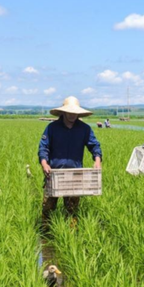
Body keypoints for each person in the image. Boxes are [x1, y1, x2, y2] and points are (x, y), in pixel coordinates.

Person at [38, 96, 102, 231]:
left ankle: (71, 235)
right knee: (48, 207)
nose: (72, 115)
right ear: (64, 112)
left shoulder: (84, 129)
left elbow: (94, 146)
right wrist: (44, 164)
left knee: (72, 208)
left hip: (75, 175)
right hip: (53, 173)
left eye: (75, 112)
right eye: (70, 112)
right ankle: (46, 236)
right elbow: (43, 148)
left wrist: (97, 160)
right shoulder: (52, 128)